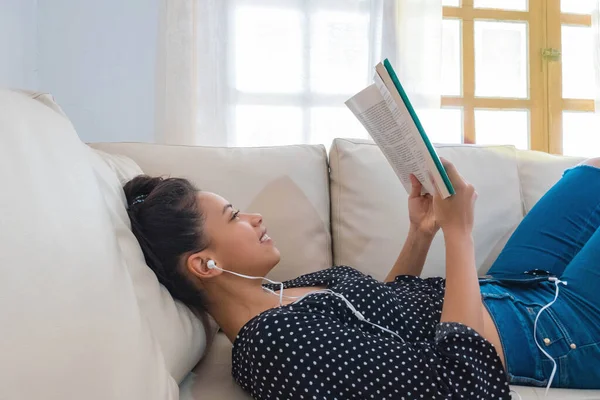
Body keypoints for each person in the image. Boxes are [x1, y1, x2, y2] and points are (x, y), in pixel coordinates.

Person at [124, 157, 600, 399]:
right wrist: (459, 235)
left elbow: (384, 314)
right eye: (233, 218)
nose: (254, 217)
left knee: (588, 173)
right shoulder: (279, 346)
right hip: (547, 335)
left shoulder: (280, 294)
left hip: (504, 290)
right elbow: (465, 384)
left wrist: (421, 233)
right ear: (204, 265)